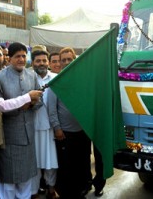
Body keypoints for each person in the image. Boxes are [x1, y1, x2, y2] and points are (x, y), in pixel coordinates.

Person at [0, 50, 42, 199]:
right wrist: (27, 98)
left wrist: (30, 104)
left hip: (0, 138)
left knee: (23, 175)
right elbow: (2, 106)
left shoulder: (30, 75)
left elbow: (39, 100)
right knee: (1, 179)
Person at [0, 42, 43, 199]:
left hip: (28, 134)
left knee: (26, 177)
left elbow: (40, 100)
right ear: (9, 59)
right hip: (9, 136)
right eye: (17, 56)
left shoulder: (32, 75)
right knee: (8, 178)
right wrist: (20, 106)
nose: (21, 59)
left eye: (24, 56)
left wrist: (33, 104)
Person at [47, 47, 91, 199]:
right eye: (63, 60)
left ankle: (81, 190)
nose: (66, 62)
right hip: (65, 134)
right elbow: (51, 109)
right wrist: (57, 129)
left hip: (83, 132)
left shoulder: (83, 81)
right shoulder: (56, 82)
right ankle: (67, 193)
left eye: (69, 59)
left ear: (74, 60)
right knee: (67, 167)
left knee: (81, 164)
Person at [30, 49, 59, 199]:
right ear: (33, 62)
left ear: (48, 62)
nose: (41, 63)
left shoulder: (56, 78)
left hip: (51, 127)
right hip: (31, 127)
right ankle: (33, 191)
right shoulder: (27, 78)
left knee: (51, 161)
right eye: (38, 61)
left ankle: (51, 189)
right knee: (33, 163)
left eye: (44, 60)